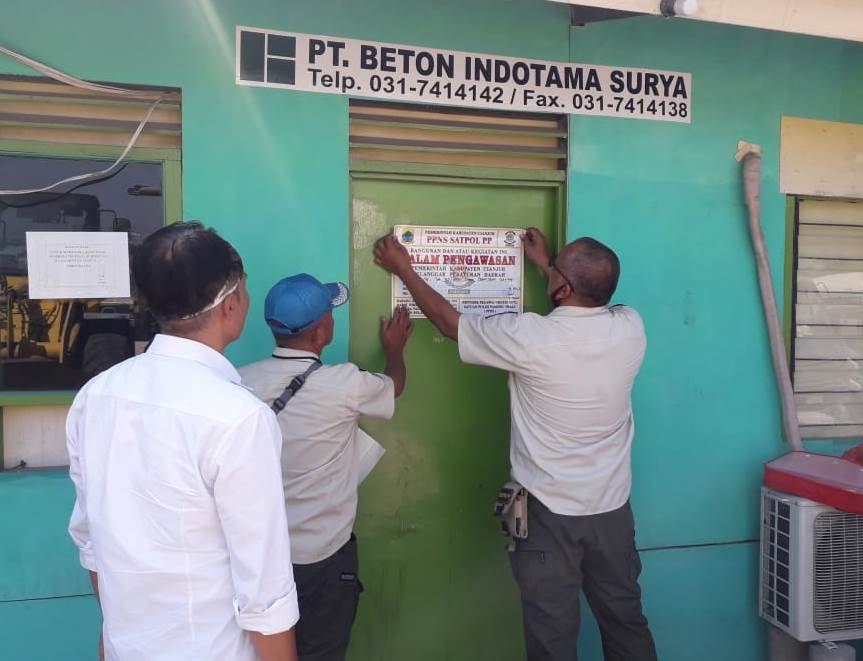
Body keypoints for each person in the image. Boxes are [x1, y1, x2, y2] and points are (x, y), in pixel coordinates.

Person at [373, 228, 657, 661]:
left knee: (551, 634)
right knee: (625, 622)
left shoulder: (529, 337)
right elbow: (578, 305)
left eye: (556, 266)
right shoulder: (630, 327)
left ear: (562, 287)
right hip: (611, 512)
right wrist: (548, 267)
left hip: (546, 515)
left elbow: (452, 325)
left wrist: (404, 269)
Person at [66, 222, 299, 661]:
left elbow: (90, 542)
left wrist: (116, 636)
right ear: (231, 305)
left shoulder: (95, 397)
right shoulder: (239, 418)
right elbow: (264, 591)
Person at [239, 273, 412, 661]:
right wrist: (396, 350)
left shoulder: (241, 382)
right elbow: (394, 386)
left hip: (262, 557)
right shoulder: (344, 383)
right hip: (324, 558)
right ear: (321, 333)